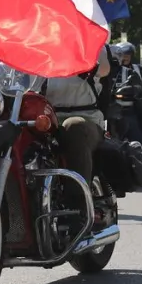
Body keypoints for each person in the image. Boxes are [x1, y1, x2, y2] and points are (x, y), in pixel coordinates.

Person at [39, 45, 113, 188]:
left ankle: (77, 202)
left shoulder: (88, 39)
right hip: (44, 119)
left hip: (85, 117)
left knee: (73, 126)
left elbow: (104, 69)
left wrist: (78, 57)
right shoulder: (34, 42)